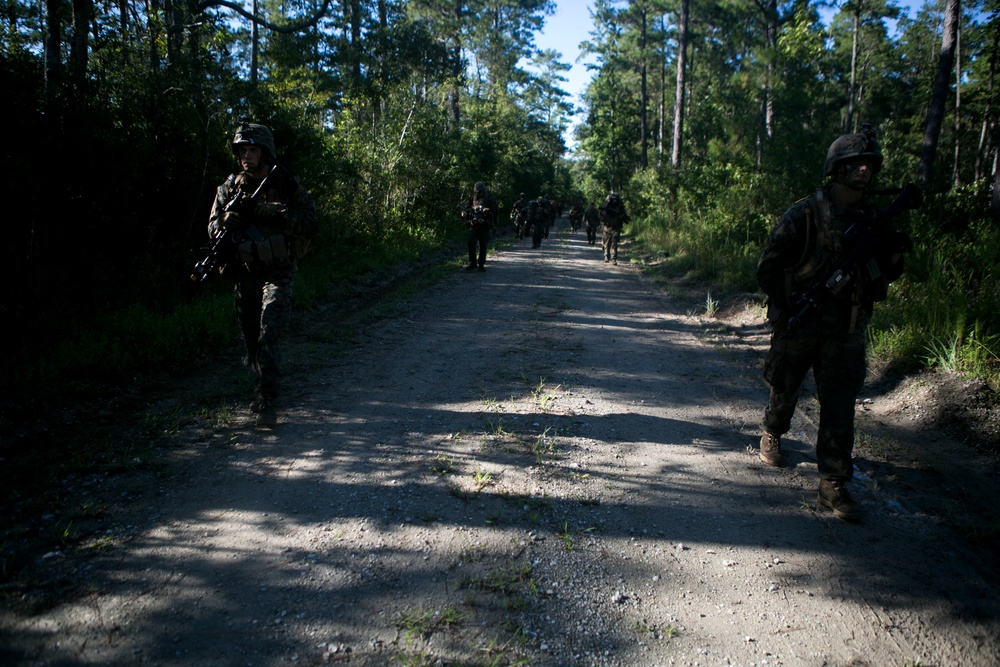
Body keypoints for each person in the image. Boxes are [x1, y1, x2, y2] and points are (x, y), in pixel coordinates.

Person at [755, 126, 913, 521]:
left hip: (847, 328)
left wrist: (893, 253)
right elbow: (767, 267)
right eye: (854, 164)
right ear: (836, 169)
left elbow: (885, 276)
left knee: (840, 405)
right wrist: (790, 304)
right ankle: (773, 431)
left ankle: (833, 483)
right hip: (800, 322)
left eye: (868, 164)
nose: (863, 170)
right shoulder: (806, 213)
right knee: (784, 388)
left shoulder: (876, 219)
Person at [208, 120, 318, 427]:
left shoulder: (283, 183)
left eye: (253, 150)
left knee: (269, 332)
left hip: (277, 272)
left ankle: (267, 400)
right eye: (243, 150)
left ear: (265, 151)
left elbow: (311, 223)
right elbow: (213, 230)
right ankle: (260, 388)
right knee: (251, 339)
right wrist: (225, 222)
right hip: (245, 275)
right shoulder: (229, 188)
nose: (247, 156)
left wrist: (280, 213)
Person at [461, 182, 497, 271]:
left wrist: (487, 211)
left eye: (480, 191)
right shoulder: (472, 197)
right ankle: (473, 263)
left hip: (484, 225)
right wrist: (464, 213)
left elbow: (495, 211)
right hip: (474, 224)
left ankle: (481, 264)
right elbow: (466, 207)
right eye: (477, 191)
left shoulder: (489, 198)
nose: (479, 193)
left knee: (482, 245)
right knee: (471, 243)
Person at [599, 193, 630, 264]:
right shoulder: (606, 207)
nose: (615, 201)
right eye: (614, 200)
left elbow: (624, 217)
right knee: (607, 243)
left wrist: (622, 217)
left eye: (616, 200)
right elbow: (601, 216)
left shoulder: (620, 208)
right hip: (607, 227)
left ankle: (614, 258)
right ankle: (606, 255)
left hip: (616, 227)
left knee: (614, 243)